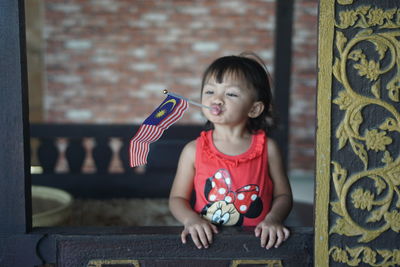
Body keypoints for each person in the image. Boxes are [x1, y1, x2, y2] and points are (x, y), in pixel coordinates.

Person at [169, 52, 293, 250]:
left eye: (231, 94)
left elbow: (284, 196)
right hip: (207, 244)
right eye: (210, 92)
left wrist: (274, 219)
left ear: (254, 109)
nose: (216, 100)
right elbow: (177, 199)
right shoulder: (193, 150)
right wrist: (191, 220)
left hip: (258, 245)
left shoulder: (268, 148)